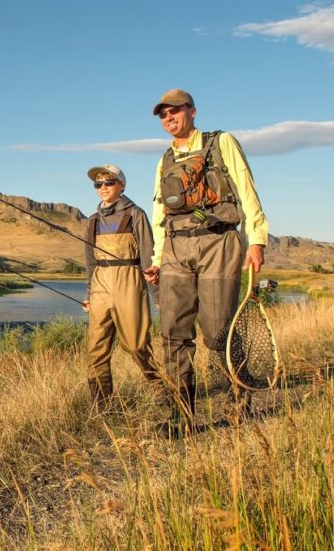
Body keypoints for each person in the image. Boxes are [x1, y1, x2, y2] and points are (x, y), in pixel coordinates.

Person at [142, 89, 269, 438]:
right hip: (175, 249)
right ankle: (180, 415)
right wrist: (157, 258)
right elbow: (158, 213)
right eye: (163, 114)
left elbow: (246, 188)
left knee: (218, 331)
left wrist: (256, 239)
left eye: (175, 111)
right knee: (173, 334)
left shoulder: (222, 142)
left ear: (193, 111)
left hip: (219, 241)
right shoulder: (164, 159)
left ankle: (241, 399)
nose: (169, 118)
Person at [81, 163, 162, 411]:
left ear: (122, 185)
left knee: (136, 344)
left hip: (130, 281)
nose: (103, 187)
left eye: (109, 182)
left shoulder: (135, 214)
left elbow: (149, 257)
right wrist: (89, 295)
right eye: (98, 184)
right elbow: (89, 262)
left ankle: (161, 390)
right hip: (100, 286)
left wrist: (157, 295)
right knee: (96, 349)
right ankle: (102, 404)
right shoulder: (92, 221)